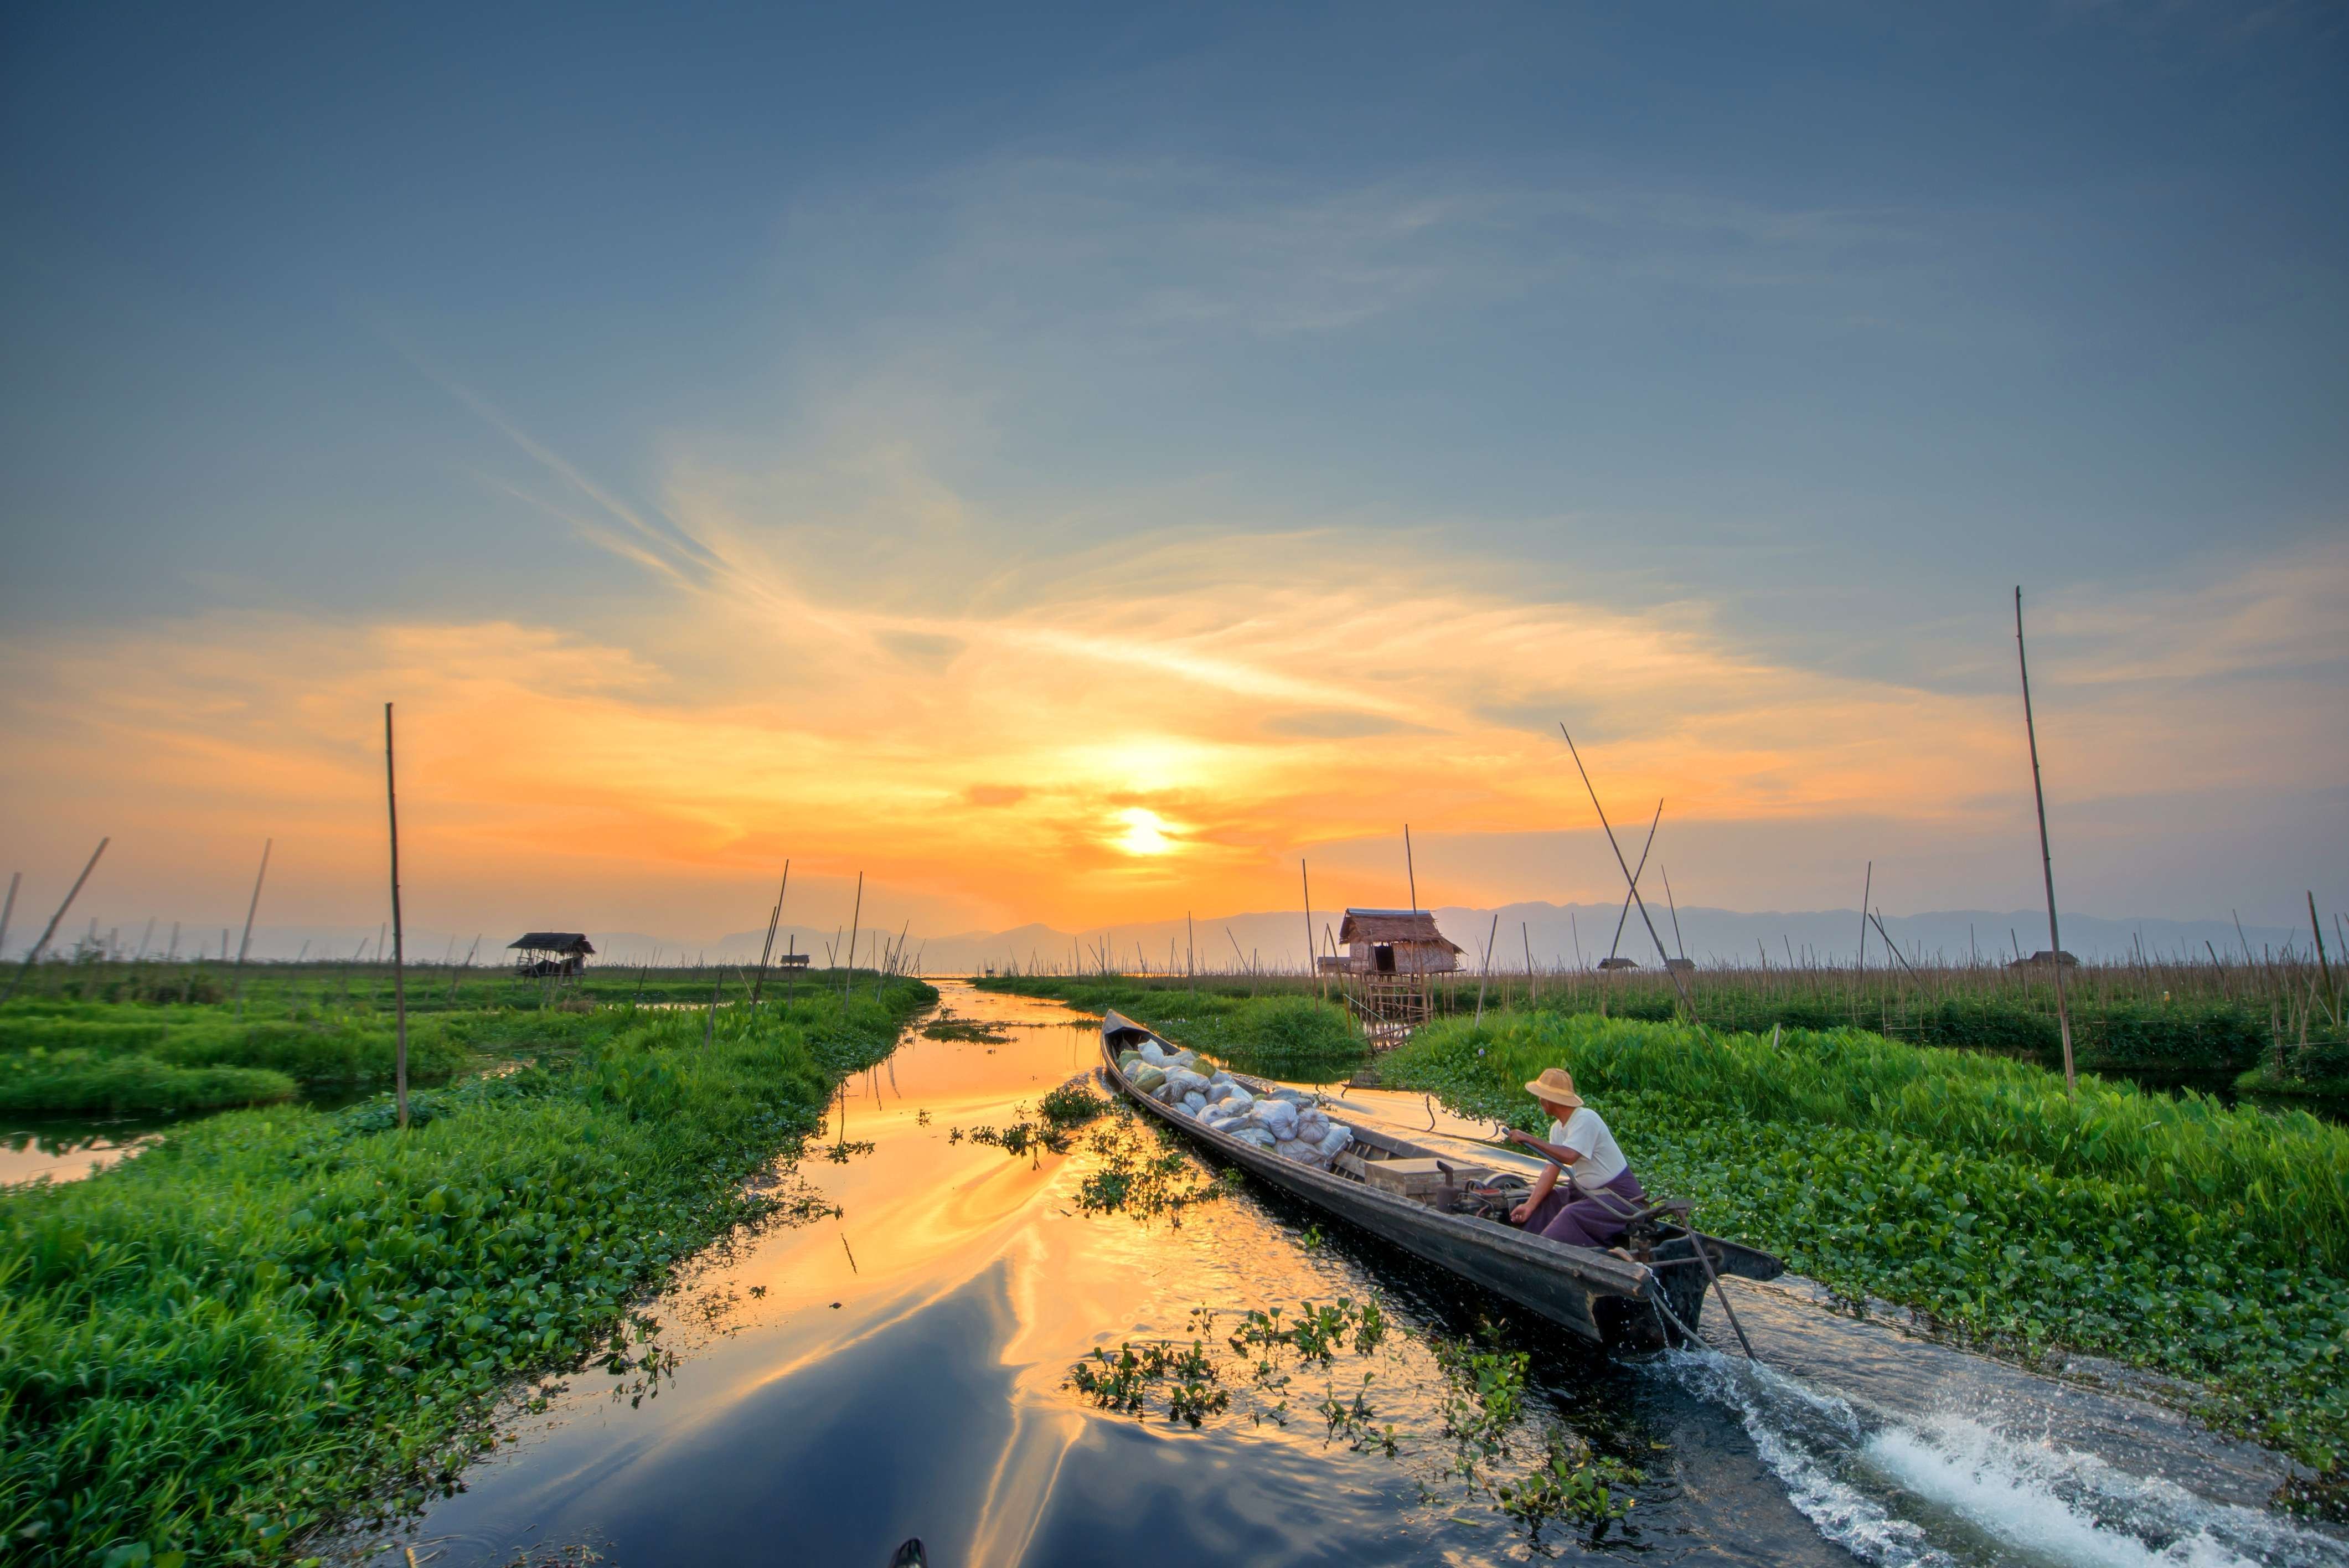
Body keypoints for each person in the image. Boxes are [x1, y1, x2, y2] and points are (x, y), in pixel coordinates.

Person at [1504, 1067, 1646, 1249]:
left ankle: (1539, 1250)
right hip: (1588, 1194)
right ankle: (1522, 1243)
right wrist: (1530, 1205)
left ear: (1552, 1100)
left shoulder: (1586, 1119)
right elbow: (1551, 1169)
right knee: (1550, 1199)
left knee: (1570, 1214)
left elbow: (1570, 1156)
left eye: (1542, 1096)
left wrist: (1528, 1138)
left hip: (1621, 1199)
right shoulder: (1557, 1129)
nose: (1540, 1100)